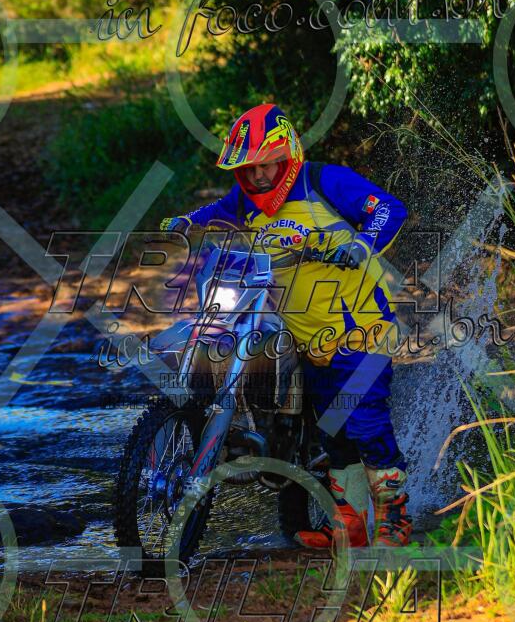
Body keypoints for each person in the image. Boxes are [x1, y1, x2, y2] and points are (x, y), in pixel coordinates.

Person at [160, 104, 411, 547]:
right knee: (333, 432)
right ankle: (349, 526)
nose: (258, 177)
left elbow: (388, 209)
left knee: (365, 421)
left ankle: (395, 518)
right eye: (248, 169)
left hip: (362, 328)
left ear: (287, 157)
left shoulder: (324, 182)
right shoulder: (244, 200)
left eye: (266, 165)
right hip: (306, 335)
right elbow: (220, 210)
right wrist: (188, 222)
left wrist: (360, 244)